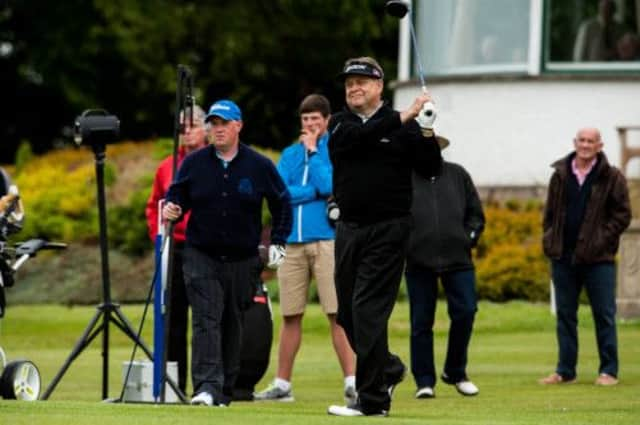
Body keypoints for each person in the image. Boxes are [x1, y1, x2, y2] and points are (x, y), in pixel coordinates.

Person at [326, 57, 442, 417]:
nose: (353, 88)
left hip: (389, 229)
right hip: (349, 229)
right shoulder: (340, 125)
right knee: (347, 314)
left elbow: (431, 169)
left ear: (378, 86)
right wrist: (406, 115)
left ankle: (373, 400)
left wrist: (425, 130)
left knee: (367, 311)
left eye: (361, 81)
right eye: (349, 84)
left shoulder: (403, 126)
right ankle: (388, 368)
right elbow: (362, 138)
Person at [162, 99, 292, 406]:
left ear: (238, 126)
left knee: (232, 321)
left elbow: (281, 203)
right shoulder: (194, 163)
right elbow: (177, 194)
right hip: (200, 253)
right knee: (206, 319)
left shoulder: (258, 165)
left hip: (242, 258)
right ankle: (206, 387)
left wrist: (279, 241)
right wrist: (173, 207)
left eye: (224, 124)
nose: (218, 130)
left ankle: (224, 389)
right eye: (213, 124)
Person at [254, 94, 356, 403]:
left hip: (325, 241)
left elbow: (331, 186)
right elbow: (279, 193)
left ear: (326, 121)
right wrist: (310, 191)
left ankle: (353, 382)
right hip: (289, 243)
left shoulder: (334, 150)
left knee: (336, 313)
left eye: (315, 119)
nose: (309, 124)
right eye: (305, 119)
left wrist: (315, 155)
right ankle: (282, 385)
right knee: (290, 314)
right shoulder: (288, 154)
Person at [540, 127, 631, 386]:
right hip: (563, 258)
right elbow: (549, 215)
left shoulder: (612, 177)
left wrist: (601, 240)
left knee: (603, 314)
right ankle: (565, 371)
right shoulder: (559, 175)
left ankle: (608, 371)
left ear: (599, 145)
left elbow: (622, 215)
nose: (586, 145)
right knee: (565, 316)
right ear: (575, 142)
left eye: (591, 141)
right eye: (582, 140)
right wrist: (549, 240)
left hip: (598, 260)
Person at [405, 136, 485, 399]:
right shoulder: (404, 178)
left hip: (458, 259)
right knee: (421, 322)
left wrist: (468, 237)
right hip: (419, 261)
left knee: (466, 312)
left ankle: (455, 372)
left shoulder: (458, 174)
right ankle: (424, 381)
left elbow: (476, 214)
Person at [145, 104, 208, 394]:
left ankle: (205, 386)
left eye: (192, 126)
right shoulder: (166, 166)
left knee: (205, 320)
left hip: (205, 247)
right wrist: (158, 237)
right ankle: (174, 386)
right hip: (174, 247)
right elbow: (153, 205)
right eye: (182, 128)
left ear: (205, 129)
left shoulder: (213, 161)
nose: (187, 133)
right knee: (172, 320)